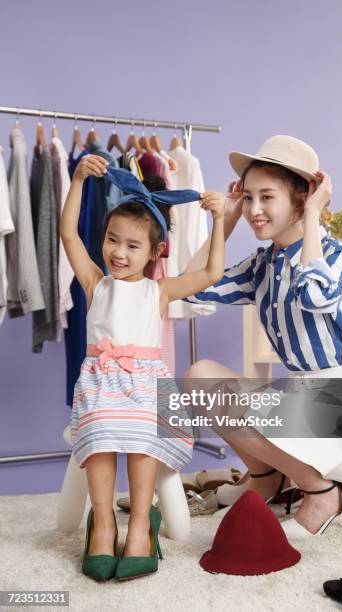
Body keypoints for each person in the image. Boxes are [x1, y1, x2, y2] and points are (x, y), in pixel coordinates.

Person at [182, 135, 342, 538]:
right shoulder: (262, 265)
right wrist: (229, 217)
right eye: (249, 197)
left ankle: (325, 493)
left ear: (300, 198)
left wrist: (314, 212)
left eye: (267, 197)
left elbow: (314, 293)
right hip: (302, 405)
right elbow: (191, 286)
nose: (256, 209)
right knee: (199, 376)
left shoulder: (335, 254)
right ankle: (267, 478)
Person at [60, 154, 225, 580]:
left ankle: (139, 524)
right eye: (112, 240)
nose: (118, 252)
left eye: (132, 246)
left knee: (141, 433)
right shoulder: (97, 283)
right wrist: (78, 180)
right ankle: (103, 522)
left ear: (156, 252)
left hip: (147, 386)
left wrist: (220, 219)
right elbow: (67, 234)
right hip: (101, 382)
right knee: (97, 432)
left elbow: (211, 271)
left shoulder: (160, 291)